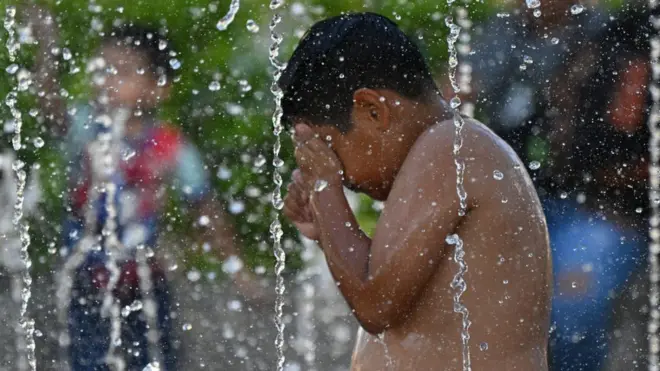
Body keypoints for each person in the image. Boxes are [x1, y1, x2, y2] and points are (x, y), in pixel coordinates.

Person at [280, 13, 552, 370]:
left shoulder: (450, 148)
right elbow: (391, 292)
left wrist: (324, 187)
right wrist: (326, 232)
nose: (337, 174)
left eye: (328, 151)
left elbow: (376, 303)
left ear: (373, 111)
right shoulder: (451, 150)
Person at [24, 6, 267, 371]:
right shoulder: (86, 127)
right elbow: (49, 110)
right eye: (101, 70)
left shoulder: (170, 146)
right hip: (86, 283)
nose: (106, 81)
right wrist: (46, 47)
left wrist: (238, 270)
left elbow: (205, 208)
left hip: (146, 281)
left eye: (121, 71)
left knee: (155, 360)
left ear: (159, 88)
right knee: (88, 361)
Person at [465, 2, 651, 370]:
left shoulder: (612, 36)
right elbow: (458, 91)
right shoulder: (503, 33)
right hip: (513, 200)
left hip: (594, 209)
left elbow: (624, 135)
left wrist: (622, 194)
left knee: (571, 308)